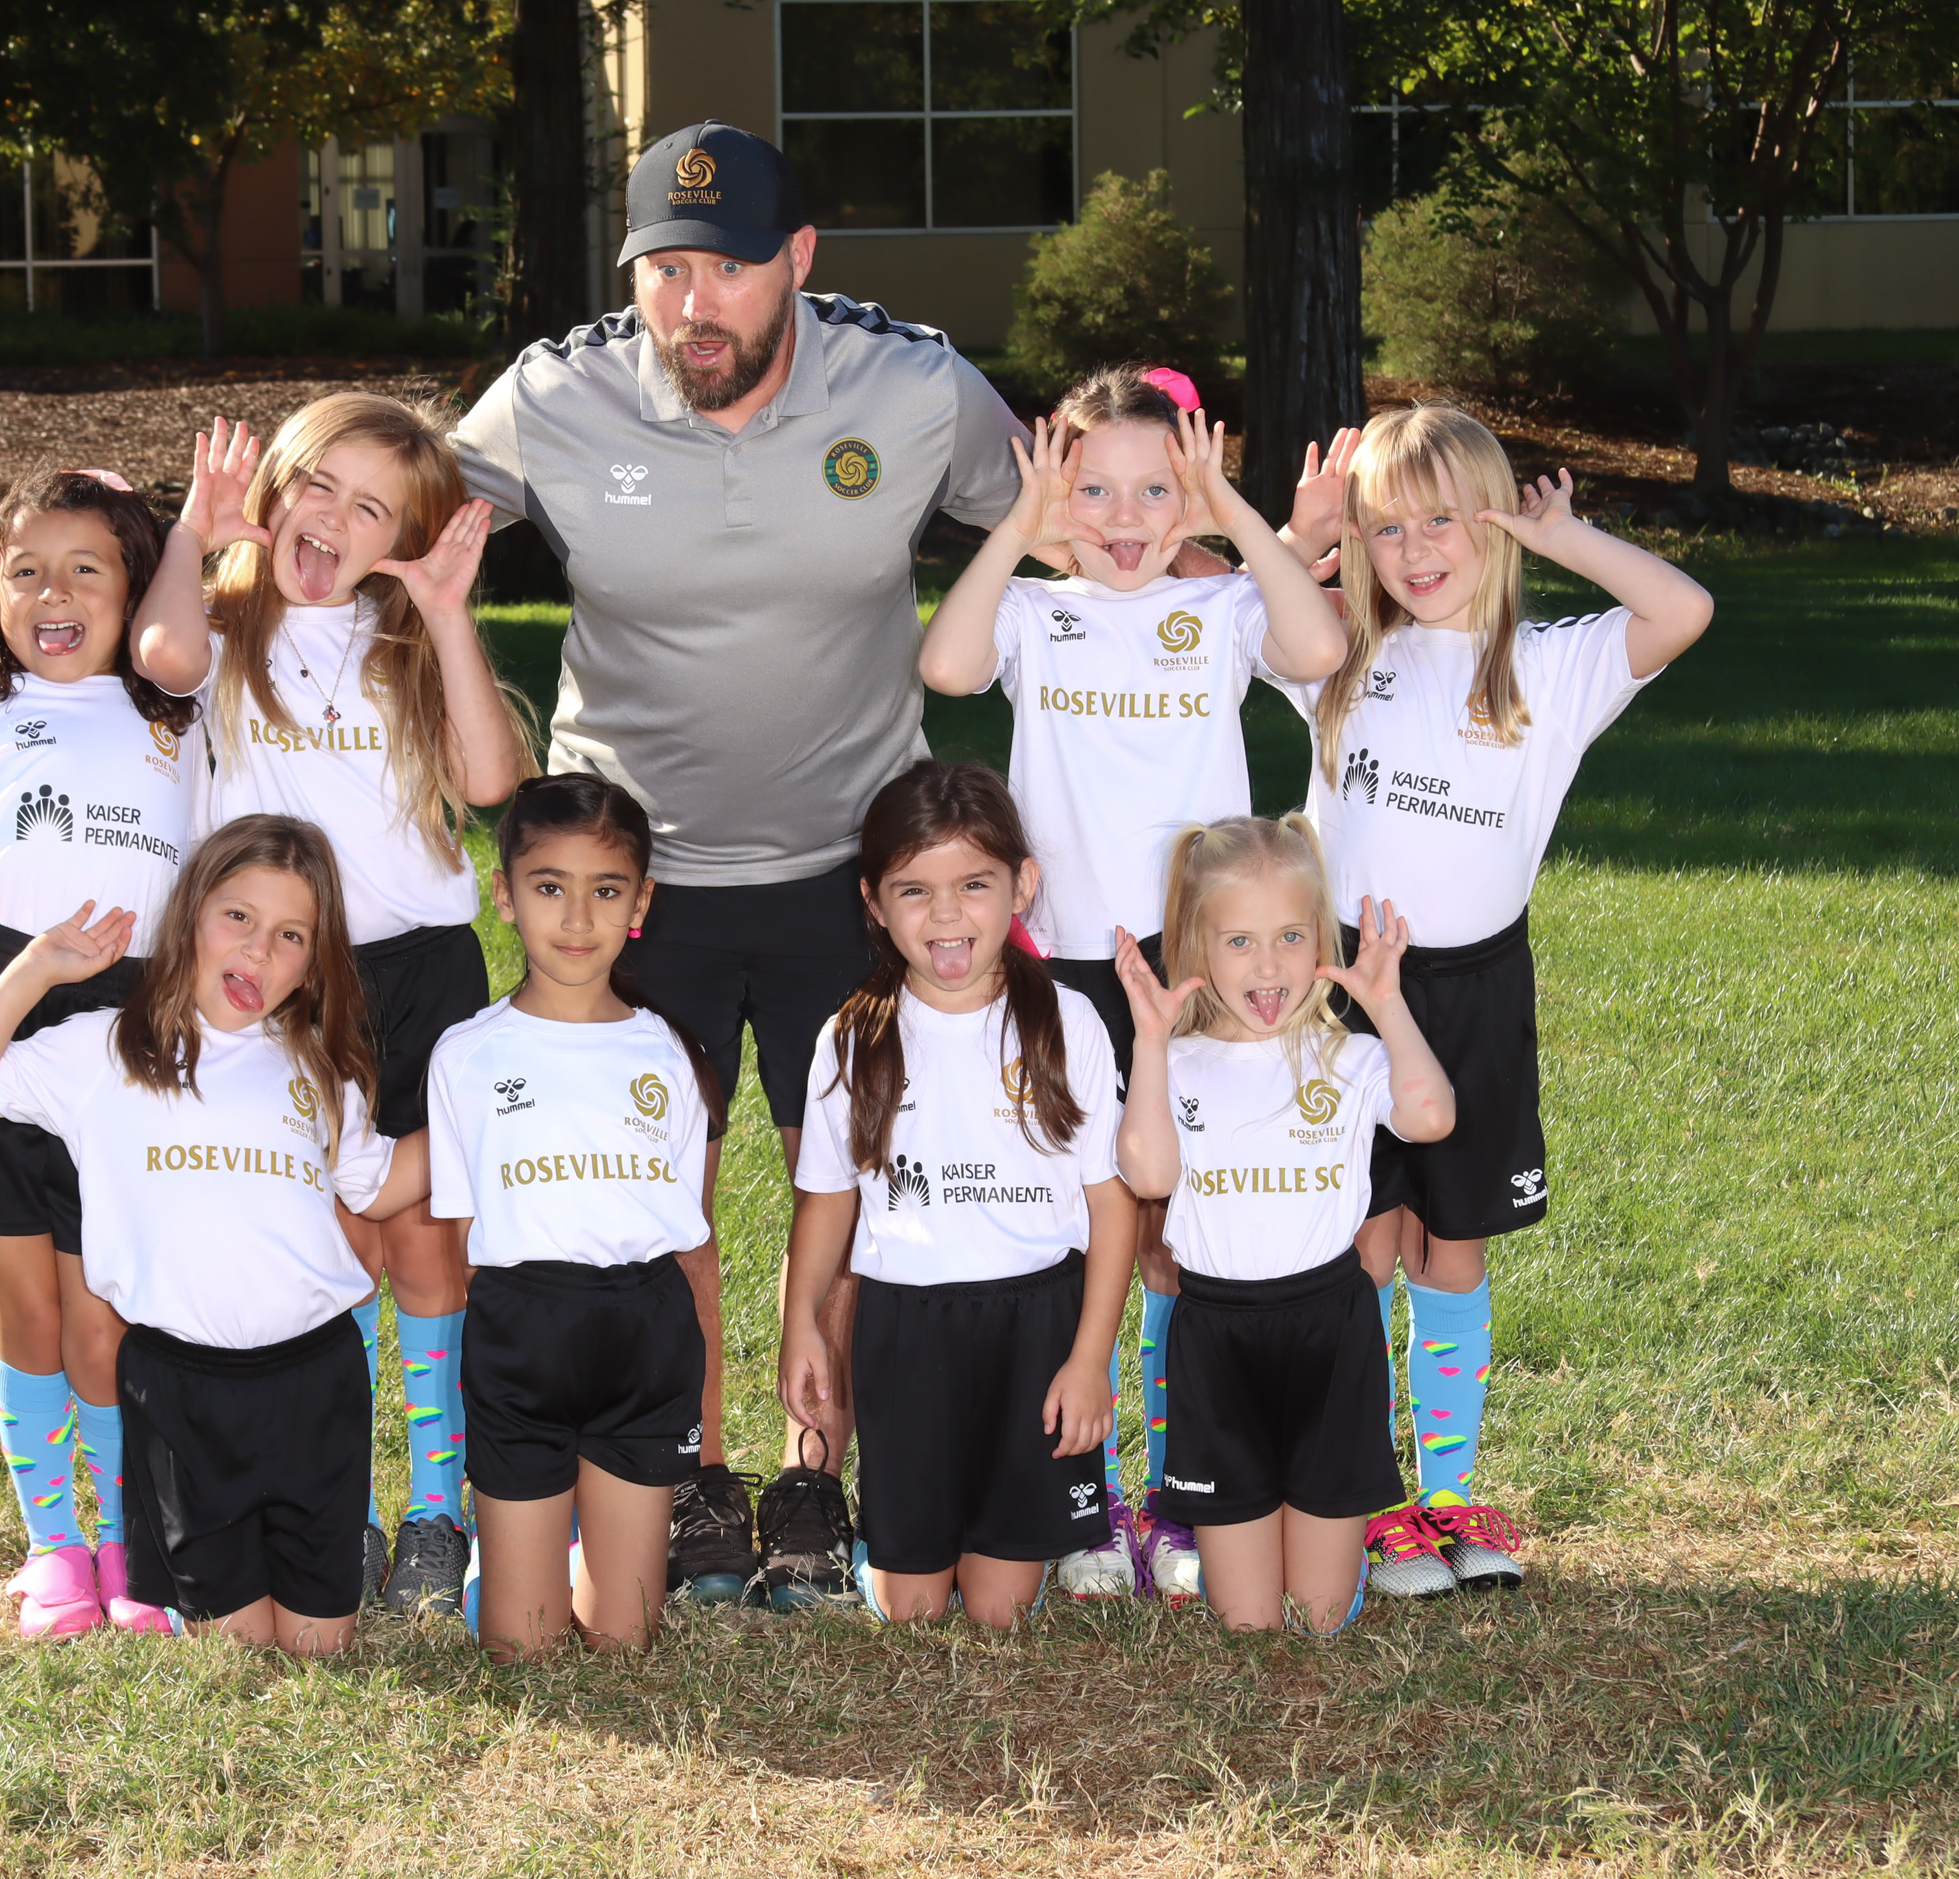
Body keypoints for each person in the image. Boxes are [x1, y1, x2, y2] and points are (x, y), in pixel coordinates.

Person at [451, 121, 1326, 1604]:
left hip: (851, 872)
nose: (693, 306)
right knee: (656, 1194)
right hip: (630, 877)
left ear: (798, 259)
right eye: (665, 270)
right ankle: (687, 1473)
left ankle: (816, 1479)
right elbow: (384, 505)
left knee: (849, 1180)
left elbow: (1076, 511)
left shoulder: (911, 385)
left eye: (729, 270)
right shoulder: (555, 393)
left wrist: (1239, 565)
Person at [916, 365, 1349, 1601]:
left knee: (1179, 1233)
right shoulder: (1032, 610)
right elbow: (946, 666)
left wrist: (1230, 513)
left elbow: (1317, 642)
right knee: (1084, 1219)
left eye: (1155, 490)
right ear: (1053, 494)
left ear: (1193, 495)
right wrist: (1020, 525)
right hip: (1061, 966)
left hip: (1194, 971)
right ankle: (1087, 1494)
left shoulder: (1218, 607)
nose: (1122, 517)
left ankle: (1177, 1492)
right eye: (1092, 490)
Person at [1270, 402, 1713, 1595]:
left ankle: (1450, 1494)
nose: (1413, 550)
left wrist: (1566, 537)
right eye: (1383, 527)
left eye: (1441, 521)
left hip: (1474, 990)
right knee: (1361, 1242)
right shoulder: (1337, 653)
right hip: (1343, 987)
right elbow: (1227, 617)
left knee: (1451, 1247)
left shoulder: (1551, 667)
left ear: (1497, 524)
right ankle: (1362, 1494)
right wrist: (1301, 535)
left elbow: (1681, 610)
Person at [134, 399, 535, 1617]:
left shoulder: (402, 637)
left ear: (403, 542)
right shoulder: (226, 626)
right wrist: (195, 535)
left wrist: (448, 613)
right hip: (286, 978)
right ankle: (339, 1505)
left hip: (419, 965)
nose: (335, 520)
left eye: (373, 510)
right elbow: (160, 653)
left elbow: (489, 779)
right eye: (319, 485)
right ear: (277, 486)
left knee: (425, 1242)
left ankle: (434, 1511)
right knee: (324, 1239)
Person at [0, 816, 429, 1655]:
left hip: (316, 1378)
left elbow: (379, 1184)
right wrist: (36, 967)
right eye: (239, 917)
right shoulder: (103, 1050)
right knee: (238, 1649)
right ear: (189, 914)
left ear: (313, 964)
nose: (258, 950)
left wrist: (475, 1116)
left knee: (319, 1646)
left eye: (291, 936)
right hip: (179, 1387)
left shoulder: (317, 1067)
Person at [0, 466, 202, 1638]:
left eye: (86, 570)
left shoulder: (181, 717)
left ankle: (127, 1543)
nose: (53, 594)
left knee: (102, 1313)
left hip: (133, 1025)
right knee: (27, 1308)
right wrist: (25, 967)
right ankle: (55, 1549)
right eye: (26, 571)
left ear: (137, 588)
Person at [778, 762, 1137, 1628]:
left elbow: (1111, 1205)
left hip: (1034, 1325)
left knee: (999, 1611)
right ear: (873, 902)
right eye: (914, 890)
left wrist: (1089, 1359)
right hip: (906, 1330)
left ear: (1023, 886)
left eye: (974, 885)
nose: (946, 915)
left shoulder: (1068, 1022)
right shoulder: (852, 1038)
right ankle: (887, 1545)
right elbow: (826, 1202)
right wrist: (801, 1324)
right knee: (913, 1609)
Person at [404, 774, 731, 1658]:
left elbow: (684, 1231)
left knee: (625, 1641)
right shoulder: (467, 1055)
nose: (578, 918)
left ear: (641, 903)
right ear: (505, 895)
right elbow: (465, 1238)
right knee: (522, 1647)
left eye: (606, 890)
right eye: (550, 887)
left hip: (643, 1337)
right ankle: (514, 1557)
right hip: (522, 1336)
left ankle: (579, 1539)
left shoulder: (671, 1053)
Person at [1109, 818, 1454, 1630]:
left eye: (1291, 937)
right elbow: (1148, 1176)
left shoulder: (1349, 1058)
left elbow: (1431, 1116)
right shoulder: (1174, 1065)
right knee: (1250, 1622)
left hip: (1330, 1330)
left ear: (1322, 940)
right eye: (1240, 942)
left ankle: (1334, 1552)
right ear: (1196, 947)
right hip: (1215, 1335)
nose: (1268, 966)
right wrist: (1151, 1043)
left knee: (1321, 1615)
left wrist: (1387, 1004)